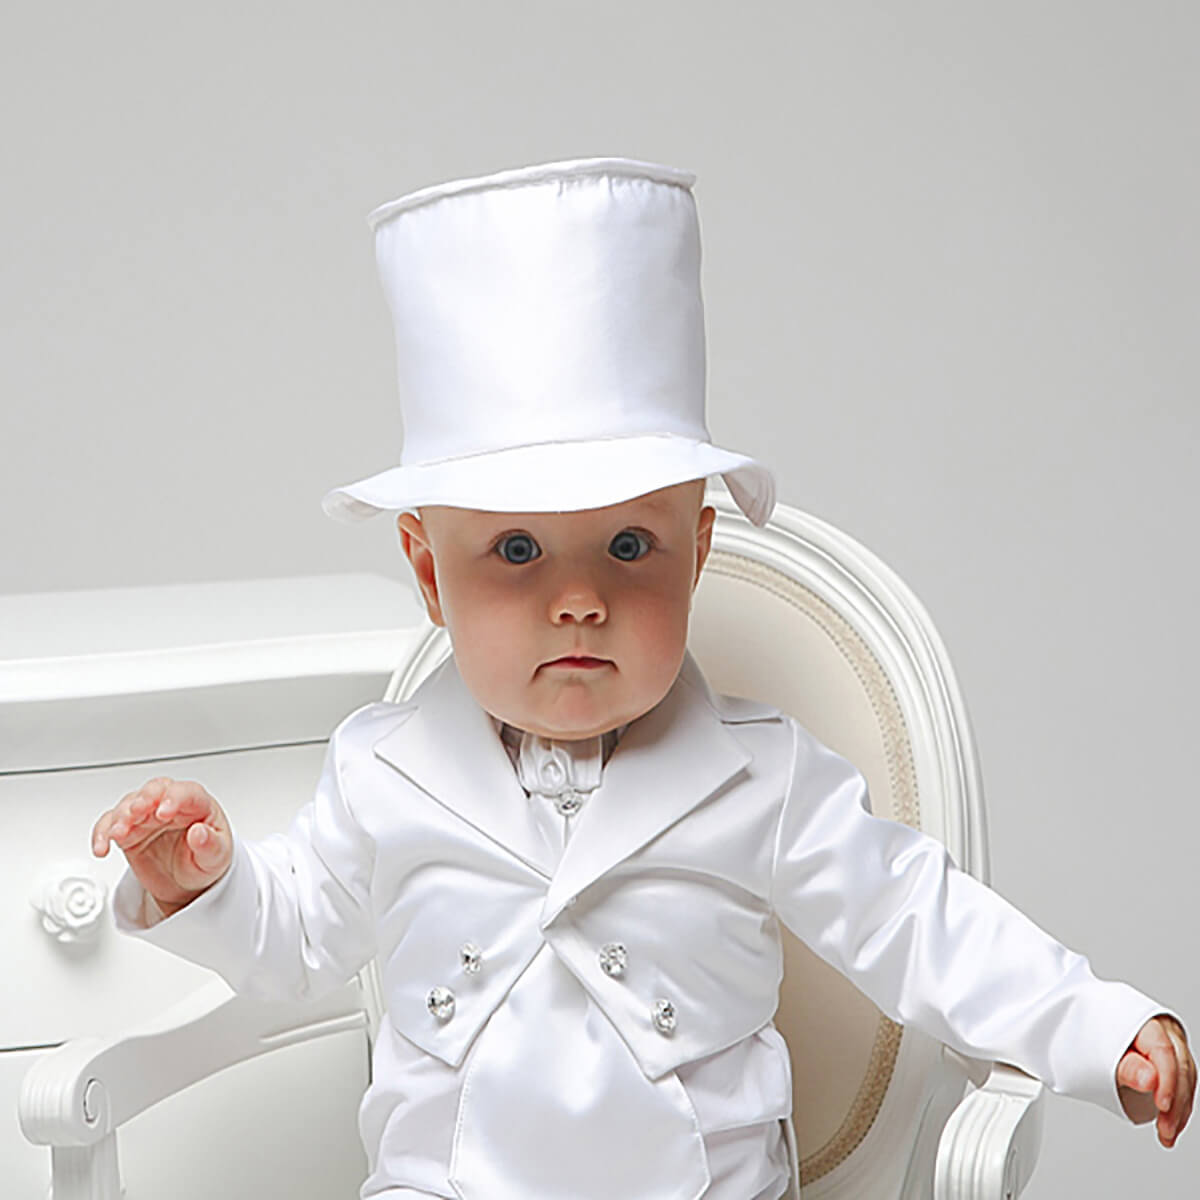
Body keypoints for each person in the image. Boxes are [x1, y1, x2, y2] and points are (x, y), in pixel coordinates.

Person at [91, 158, 1193, 1200]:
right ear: (430, 572)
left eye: (628, 547)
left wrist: (1098, 1029)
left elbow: (925, 924)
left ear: (698, 552)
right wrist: (205, 882)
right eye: (516, 552)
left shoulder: (762, 779)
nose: (579, 599)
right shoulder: (381, 770)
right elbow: (291, 943)